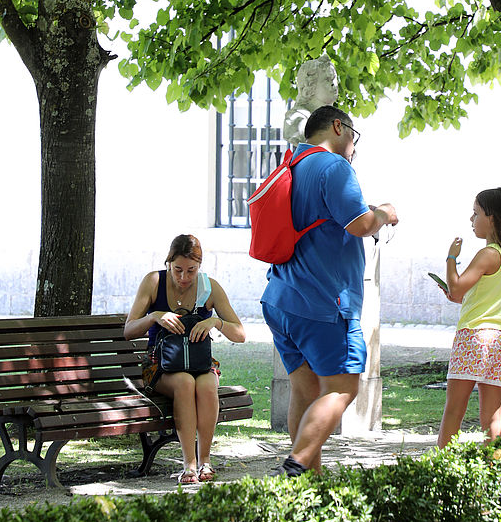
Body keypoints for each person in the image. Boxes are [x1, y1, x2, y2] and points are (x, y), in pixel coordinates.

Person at [261, 105, 398, 475]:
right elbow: (360, 225)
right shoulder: (335, 166)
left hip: (281, 298)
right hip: (323, 303)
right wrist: (384, 212)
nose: (354, 146)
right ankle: (298, 461)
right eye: (353, 136)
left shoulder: (293, 163)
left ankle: (310, 485)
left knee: (305, 392)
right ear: (339, 127)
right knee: (343, 388)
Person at [124, 234, 246, 486]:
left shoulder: (208, 287)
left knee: (206, 384)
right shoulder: (154, 282)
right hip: (159, 365)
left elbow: (240, 334)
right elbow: (129, 330)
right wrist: (155, 316)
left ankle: (205, 461)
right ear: (168, 262)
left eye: (191, 270)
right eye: (177, 269)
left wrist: (216, 321)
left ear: (199, 266)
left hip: (199, 363)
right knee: (184, 384)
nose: (183, 277)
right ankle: (189, 463)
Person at [436, 187, 501, 449]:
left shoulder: (487, 254)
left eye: (476, 214)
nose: (472, 220)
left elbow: (455, 287)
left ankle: (442, 467)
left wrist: (451, 257)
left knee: (455, 408)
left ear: (492, 218)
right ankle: (493, 467)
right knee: (492, 414)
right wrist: (461, 296)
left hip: (473, 337)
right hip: (500, 340)